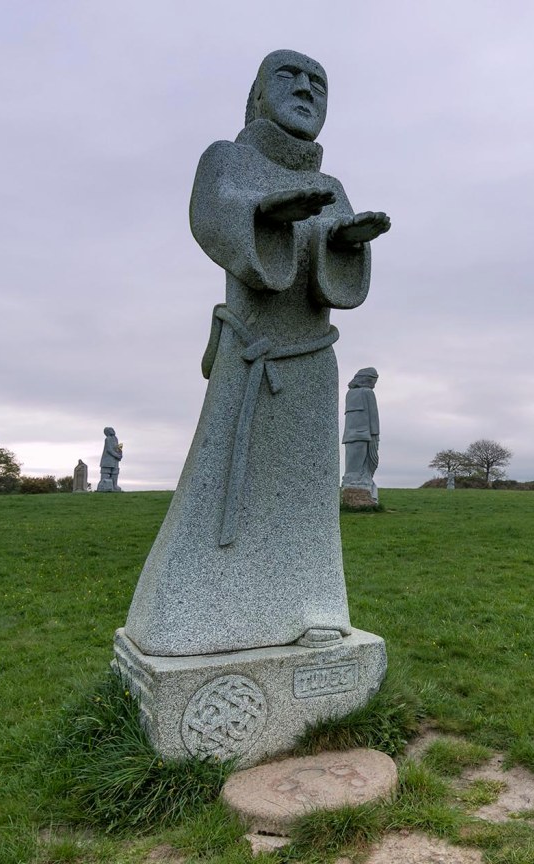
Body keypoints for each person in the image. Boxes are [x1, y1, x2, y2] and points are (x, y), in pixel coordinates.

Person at [124, 50, 391, 657]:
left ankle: (313, 605)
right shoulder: (228, 158)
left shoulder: (330, 186)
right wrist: (263, 215)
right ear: (258, 95)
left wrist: (344, 240)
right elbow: (212, 216)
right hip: (252, 358)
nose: (305, 88)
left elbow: (334, 274)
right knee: (225, 487)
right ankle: (185, 615)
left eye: (318, 81)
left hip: (311, 362)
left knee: (308, 493)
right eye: (288, 76)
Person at [341, 367, 380, 501]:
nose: (374, 384)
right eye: (374, 381)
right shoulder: (368, 393)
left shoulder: (349, 394)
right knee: (361, 463)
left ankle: (352, 483)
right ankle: (358, 484)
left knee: (352, 463)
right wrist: (375, 434)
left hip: (350, 435)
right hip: (364, 435)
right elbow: (373, 416)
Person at [97, 427, 123, 492]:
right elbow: (109, 450)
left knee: (115, 471)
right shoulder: (107, 439)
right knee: (106, 471)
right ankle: (105, 486)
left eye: (113, 429)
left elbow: (117, 448)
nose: (113, 431)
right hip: (108, 459)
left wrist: (120, 453)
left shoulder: (116, 438)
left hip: (115, 459)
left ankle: (114, 485)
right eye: (110, 430)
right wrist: (116, 455)